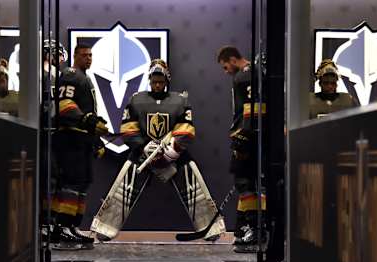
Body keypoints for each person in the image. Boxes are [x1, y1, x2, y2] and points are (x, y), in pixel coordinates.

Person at [90, 59, 226, 242]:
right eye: (154, 81)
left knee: (195, 189)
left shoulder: (180, 100)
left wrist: (173, 150)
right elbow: (128, 128)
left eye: (160, 81)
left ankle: (211, 229)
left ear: (167, 80)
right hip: (142, 153)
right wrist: (142, 146)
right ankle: (105, 227)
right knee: (122, 190)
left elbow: (187, 128)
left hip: (173, 154)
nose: (157, 85)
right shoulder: (136, 99)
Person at [48, 43, 109, 247]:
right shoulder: (71, 74)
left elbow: (84, 113)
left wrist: (95, 139)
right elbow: (65, 106)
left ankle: (72, 226)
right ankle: (61, 228)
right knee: (71, 184)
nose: (88, 58)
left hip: (82, 139)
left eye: (90, 55)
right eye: (84, 55)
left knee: (82, 183)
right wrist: (91, 123)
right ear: (75, 56)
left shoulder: (84, 77)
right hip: (70, 138)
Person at [216, 45, 267, 250]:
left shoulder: (244, 76)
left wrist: (244, 137)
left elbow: (252, 108)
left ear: (233, 59)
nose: (225, 70)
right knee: (248, 183)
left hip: (248, 138)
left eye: (225, 65)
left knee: (245, 182)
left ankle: (253, 229)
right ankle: (249, 227)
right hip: (256, 138)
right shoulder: (253, 74)